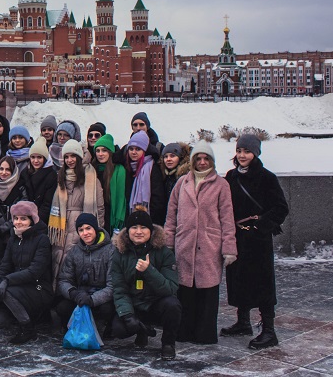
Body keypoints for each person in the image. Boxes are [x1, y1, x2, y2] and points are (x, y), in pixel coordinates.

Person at [164, 141, 236, 345]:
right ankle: (184, 331)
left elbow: (227, 218)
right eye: (199, 158)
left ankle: (205, 335)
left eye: (206, 159)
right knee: (185, 290)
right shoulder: (182, 183)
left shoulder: (221, 185)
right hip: (185, 243)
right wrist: (169, 241)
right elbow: (171, 215)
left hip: (209, 245)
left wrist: (229, 247)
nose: (202, 162)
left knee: (207, 291)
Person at [222, 134, 289, 350]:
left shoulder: (267, 178)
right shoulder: (231, 176)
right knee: (239, 278)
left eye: (247, 152)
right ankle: (243, 322)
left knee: (262, 283)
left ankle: (269, 330)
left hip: (258, 240)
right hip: (238, 236)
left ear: (256, 153)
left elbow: (281, 208)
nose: (242, 155)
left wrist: (260, 226)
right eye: (239, 151)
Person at [110, 208, 181, 360]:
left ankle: (168, 344)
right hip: (134, 303)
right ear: (128, 231)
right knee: (118, 329)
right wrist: (128, 316)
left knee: (173, 305)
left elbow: (170, 288)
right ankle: (142, 329)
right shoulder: (119, 253)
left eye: (143, 227)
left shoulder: (164, 252)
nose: (138, 231)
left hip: (155, 303)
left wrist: (148, 271)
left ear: (151, 231)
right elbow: (119, 288)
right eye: (134, 227)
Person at [0, 200, 53, 344]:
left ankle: (28, 328)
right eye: (16, 218)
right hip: (17, 287)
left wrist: (7, 281)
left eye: (23, 219)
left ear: (32, 219)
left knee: (6, 292)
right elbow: (3, 268)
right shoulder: (13, 239)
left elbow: (34, 271)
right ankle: (21, 316)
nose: (18, 222)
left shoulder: (42, 239)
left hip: (38, 287)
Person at [48, 139, 104, 288]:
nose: (70, 160)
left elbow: (99, 208)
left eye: (73, 156)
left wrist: (97, 229)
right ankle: (58, 294)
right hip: (61, 225)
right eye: (66, 157)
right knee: (58, 259)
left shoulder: (91, 178)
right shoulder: (62, 177)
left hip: (81, 225)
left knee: (75, 262)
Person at [55, 213, 115, 336]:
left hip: (100, 296)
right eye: (81, 230)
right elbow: (64, 279)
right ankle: (69, 328)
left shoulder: (110, 251)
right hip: (80, 294)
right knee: (62, 307)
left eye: (88, 228)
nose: (85, 233)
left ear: (95, 229)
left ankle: (106, 329)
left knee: (107, 310)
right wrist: (73, 293)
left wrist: (93, 299)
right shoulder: (74, 251)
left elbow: (113, 285)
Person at [122, 131, 167, 226]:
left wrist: (148, 221)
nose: (134, 152)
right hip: (133, 221)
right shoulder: (129, 168)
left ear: (144, 150)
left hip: (150, 221)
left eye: (138, 149)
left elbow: (157, 200)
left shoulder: (152, 168)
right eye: (131, 149)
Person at [0, 155, 29, 241]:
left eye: (8, 169)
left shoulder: (20, 188)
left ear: (13, 171)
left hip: (15, 236)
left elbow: (22, 213)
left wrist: (4, 228)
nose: (3, 172)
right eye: (1, 169)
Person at [93, 134, 127, 233]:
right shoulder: (92, 169)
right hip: (96, 214)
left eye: (104, 150)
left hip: (111, 215)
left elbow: (121, 198)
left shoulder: (119, 170)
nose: (100, 154)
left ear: (110, 152)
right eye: (98, 151)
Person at [21, 138, 56, 223]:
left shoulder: (51, 175)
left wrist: (35, 221)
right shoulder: (25, 173)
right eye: (33, 157)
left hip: (41, 220)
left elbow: (47, 204)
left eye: (39, 157)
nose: (36, 161)